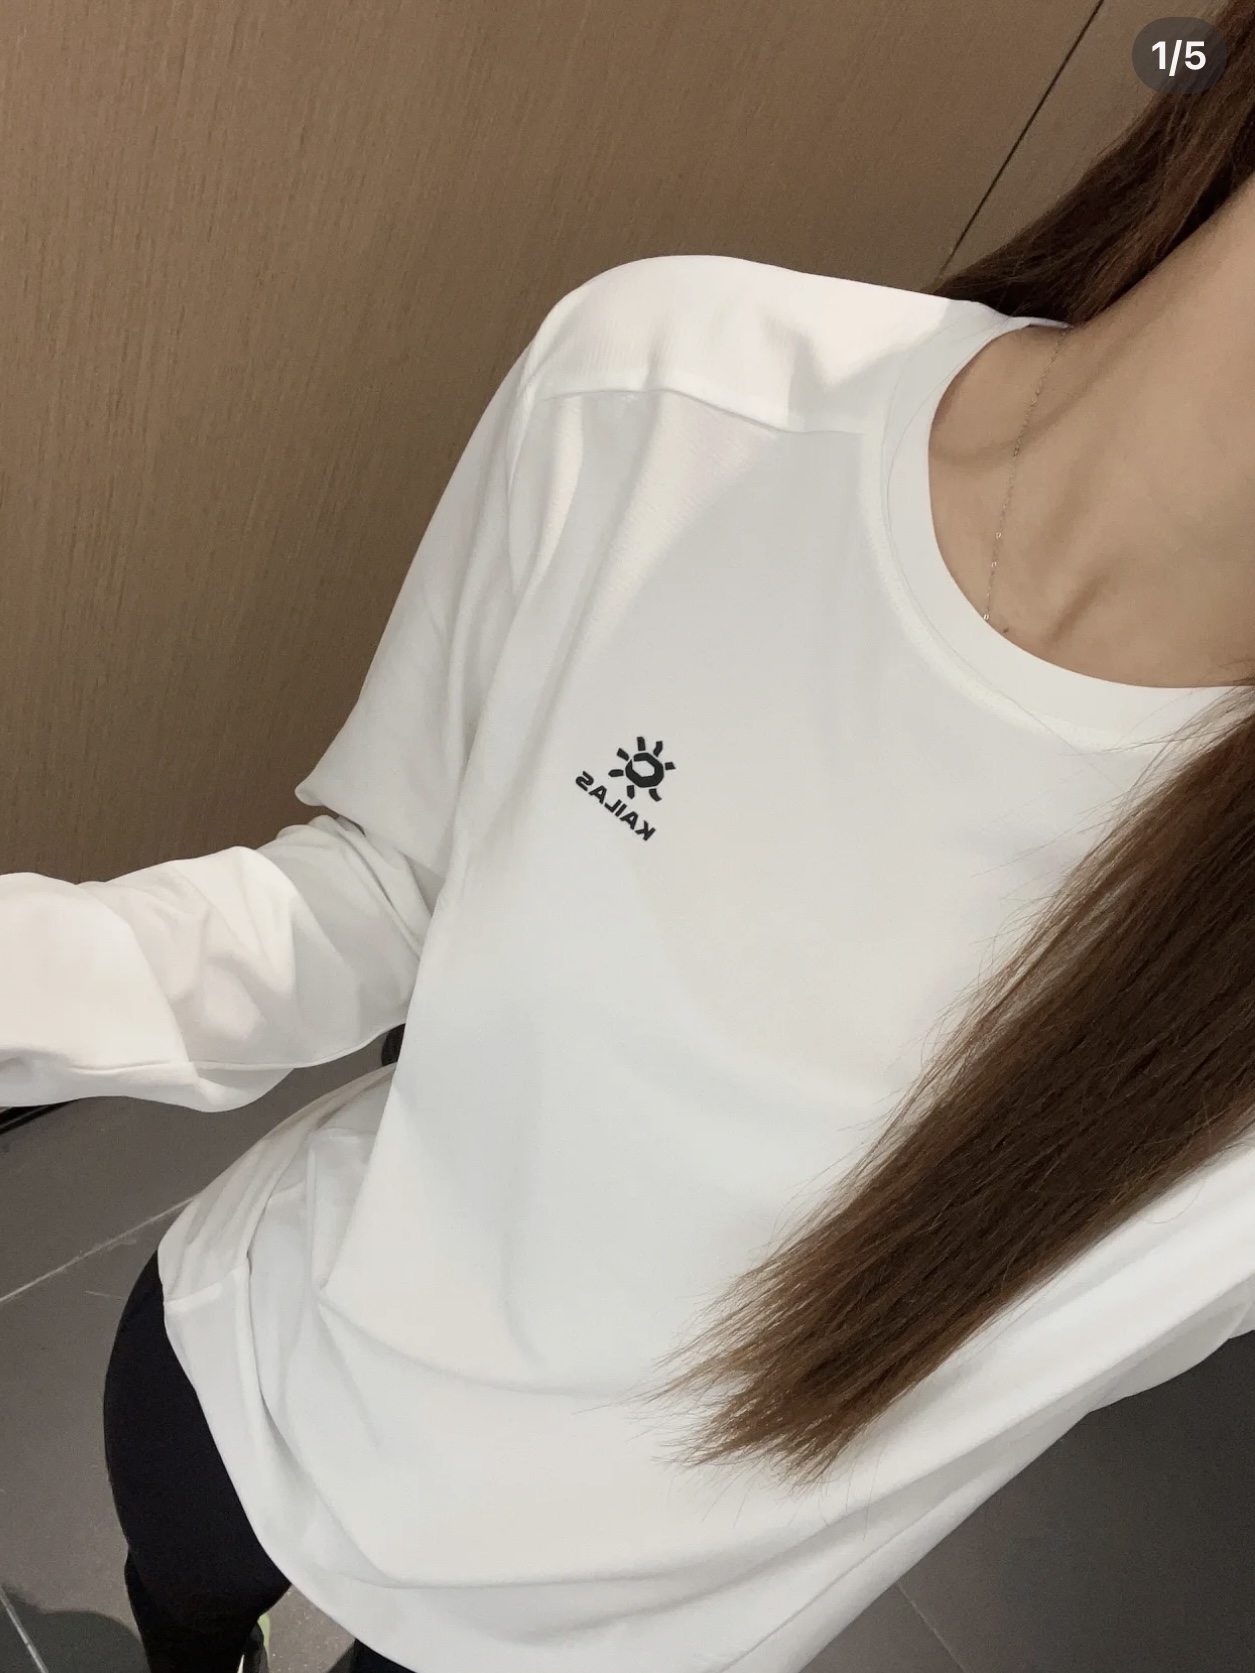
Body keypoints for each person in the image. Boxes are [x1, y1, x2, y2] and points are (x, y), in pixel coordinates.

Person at [7, 4, 1255, 1669]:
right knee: (179, 1598)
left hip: (592, 1642)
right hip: (274, 1369)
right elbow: (381, 897)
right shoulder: (676, 389)